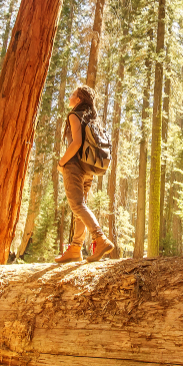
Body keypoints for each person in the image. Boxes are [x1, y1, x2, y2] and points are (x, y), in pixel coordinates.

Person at [54, 85, 116, 264]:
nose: (70, 97)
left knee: (78, 206)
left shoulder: (74, 115)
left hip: (74, 166)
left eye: (73, 94)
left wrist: (61, 163)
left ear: (79, 100)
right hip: (88, 169)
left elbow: (76, 143)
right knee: (81, 207)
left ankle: (100, 239)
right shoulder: (92, 119)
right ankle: (75, 248)